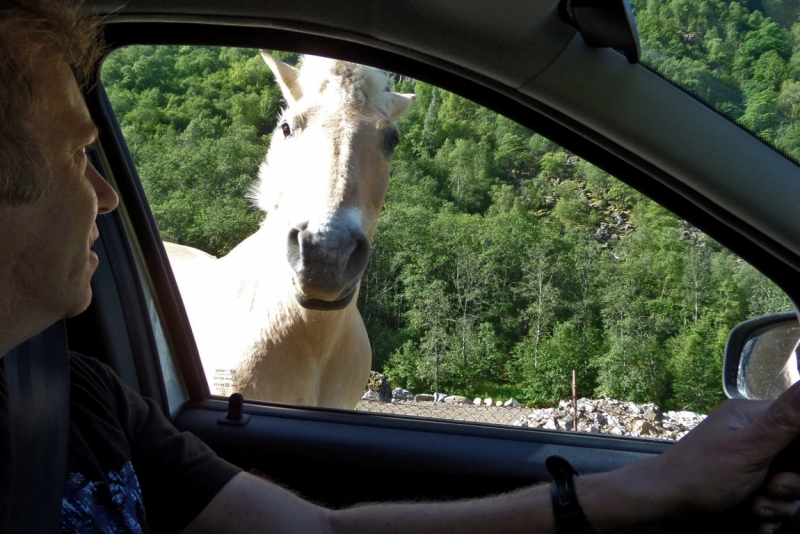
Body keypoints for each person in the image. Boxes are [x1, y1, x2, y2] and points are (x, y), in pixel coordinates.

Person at [2, 0, 800, 532]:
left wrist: (664, 485)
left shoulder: (89, 404)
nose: (109, 195)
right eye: (78, 155)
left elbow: (321, 532)